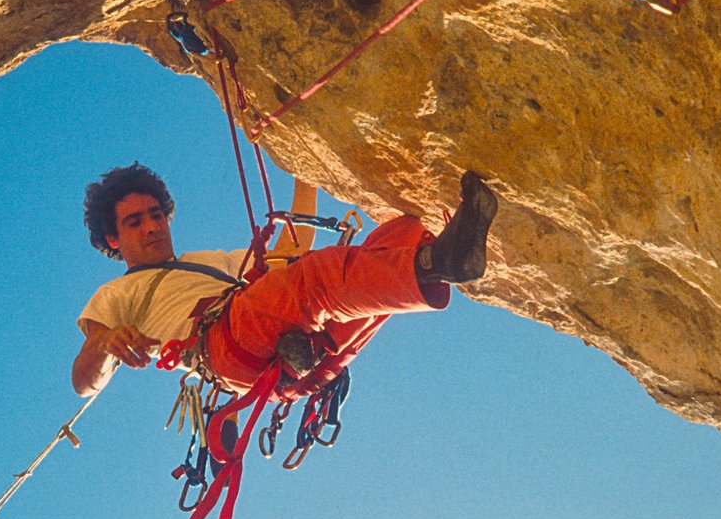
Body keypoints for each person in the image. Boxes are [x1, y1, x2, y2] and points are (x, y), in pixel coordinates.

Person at [70, 164, 497, 398]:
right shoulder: (115, 294)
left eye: (155, 215)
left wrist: (303, 173)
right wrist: (107, 345)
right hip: (224, 343)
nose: (151, 227)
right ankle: (444, 262)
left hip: (295, 356)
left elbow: (288, 253)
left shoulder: (211, 262)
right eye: (134, 222)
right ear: (113, 238)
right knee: (317, 280)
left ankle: (440, 260)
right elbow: (83, 381)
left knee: (399, 235)